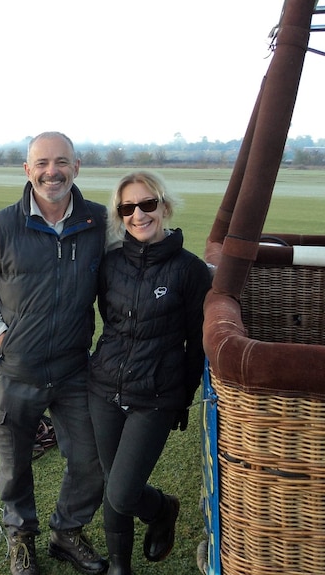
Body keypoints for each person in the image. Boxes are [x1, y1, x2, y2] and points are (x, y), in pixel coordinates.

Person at [0, 132, 108, 575]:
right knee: (14, 466)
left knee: (91, 458)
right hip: (17, 369)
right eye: (42, 163)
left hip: (74, 370)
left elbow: (129, 272)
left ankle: (67, 531)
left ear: (77, 167)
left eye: (62, 162)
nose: (53, 171)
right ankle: (20, 536)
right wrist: (2, 336)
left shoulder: (100, 223)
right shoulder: (0, 225)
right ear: (28, 171)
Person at [88, 171, 211, 575]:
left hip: (156, 395)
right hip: (104, 387)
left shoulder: (190, 270)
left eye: (147, 204)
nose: (138, 214)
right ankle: (121, 567)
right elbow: (110, 322)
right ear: (119, 215)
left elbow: (197, 343)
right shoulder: (109, 263)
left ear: (164, 206)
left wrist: (183, 398)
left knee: (123, 492)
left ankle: (163, 508)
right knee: (113, 484)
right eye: (127, 208)